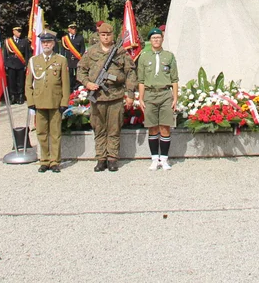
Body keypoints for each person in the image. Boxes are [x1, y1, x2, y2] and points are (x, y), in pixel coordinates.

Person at [78, 21, 137, 172]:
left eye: (108, 35)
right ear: (99, 35)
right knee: (98, 128)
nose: (105, 37)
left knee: (114, 128)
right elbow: (81, 70)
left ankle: (112, 158)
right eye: (103, 35)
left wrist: (130, 94)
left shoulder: (121, 52)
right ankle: (100, 158)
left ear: (112, 36)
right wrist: (88, 83)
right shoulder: (91, 52)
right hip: (97, 96)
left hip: (116, 96)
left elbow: (130, 73)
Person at [26, 31, 70, 173]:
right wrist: (31, 101)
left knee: (55, 133)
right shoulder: (34, 61)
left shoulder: (61, 60)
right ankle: (44, 160)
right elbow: (28, 84)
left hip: (55, 101)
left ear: (53, 43)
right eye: (44, 42)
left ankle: (55, 161)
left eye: (49, 42)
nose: (46, 44)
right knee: (41, 132)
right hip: (39, 101)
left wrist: (64, 101)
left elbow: (65, 83)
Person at [137, 28, 179, 171]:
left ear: (162, 39)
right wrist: (141, 98)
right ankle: (155, 158)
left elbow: (174, 79)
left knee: (165, 127)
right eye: (153, 38)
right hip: (150, 94)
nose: (156, 40)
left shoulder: (169, 56)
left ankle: (165, 159)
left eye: (158, 37)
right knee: (153, 127)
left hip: (165, 94)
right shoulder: (144, 57)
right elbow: (141, 80)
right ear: (150, 40)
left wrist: (175, 98)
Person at [4, 25, 29, 104]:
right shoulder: (8, 42)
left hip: (21, 64)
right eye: (18, 31)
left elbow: (27, 54)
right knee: (12, 81)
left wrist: (27, 64)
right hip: (11, 64)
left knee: (21, 81)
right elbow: (5, 54)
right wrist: (6, 64)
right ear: (13, 32)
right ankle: (13, 96)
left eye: (20, 31)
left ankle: (21, 96)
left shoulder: (24, 41)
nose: (19, 33)